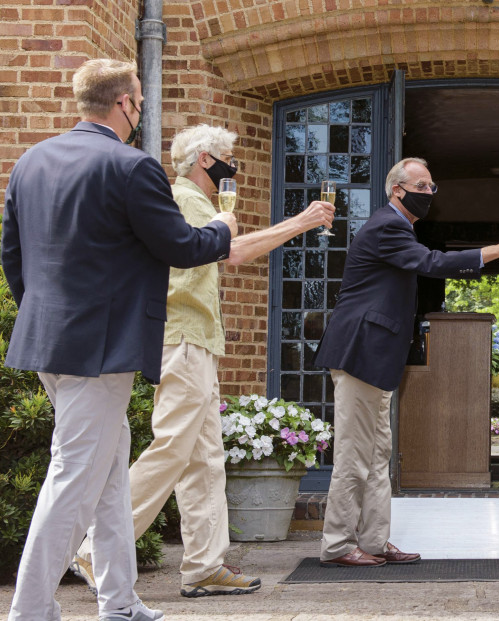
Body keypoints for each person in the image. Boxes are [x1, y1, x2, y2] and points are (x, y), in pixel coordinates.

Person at [1, 59, 237, 621]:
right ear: (125, 104)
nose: (140, 111)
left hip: (47, 341)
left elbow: (12, 256)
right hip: (101, 348)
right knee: (75, 475)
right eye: (139, 101)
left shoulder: (29, 162)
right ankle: (30, 608)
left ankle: (120, 600)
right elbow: (180, 245)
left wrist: (43, 314)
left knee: (109, 473)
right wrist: (222, 231)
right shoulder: (133, 168)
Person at [70, 124, 335, 598]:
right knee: (173, 447)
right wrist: (304, 221)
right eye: (228, 156)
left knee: (205, 460)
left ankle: (204, 565)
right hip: (184, 342)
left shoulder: (196, 201)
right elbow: (232, 252)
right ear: (205, 159)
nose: (235, 165)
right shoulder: (189, 198)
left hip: (196, 343)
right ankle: (97, 548)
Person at [313, 157, 499, 567]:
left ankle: (375, 542)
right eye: (423, 186)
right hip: (359, 352)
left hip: (376, 359)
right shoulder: (387, 225)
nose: (430, 193)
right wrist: (496, 251)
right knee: (354, 456)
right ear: (398, 189)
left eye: (432, 187)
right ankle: (338, 545)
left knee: (378, 456)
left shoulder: (398, 226)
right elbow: (431, 263)